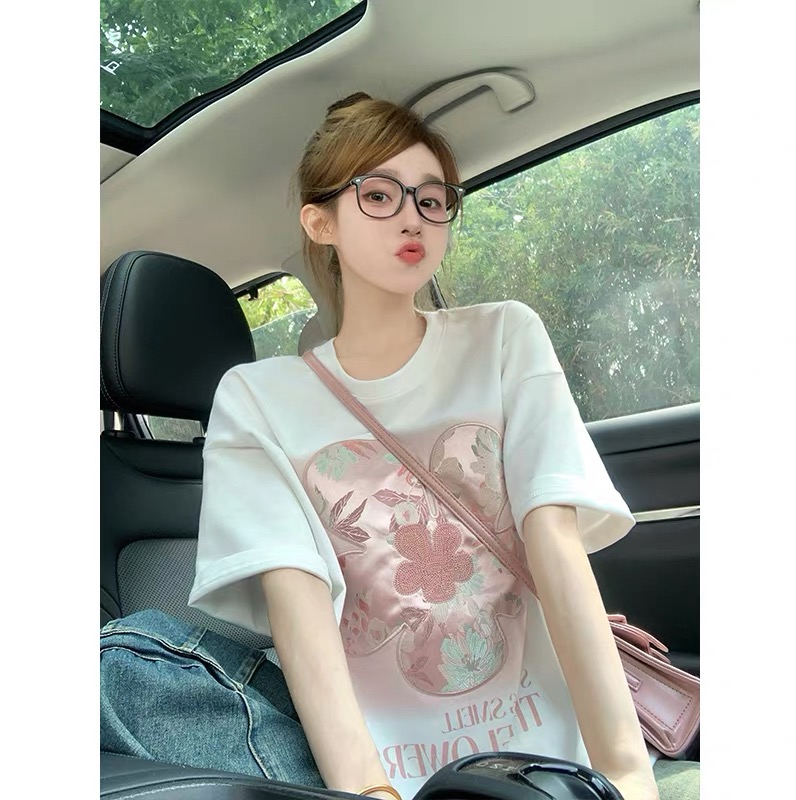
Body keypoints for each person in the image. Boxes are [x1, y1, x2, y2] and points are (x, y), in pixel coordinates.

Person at [186, 93, 700, 800]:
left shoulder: (504, 337)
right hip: (392, 773)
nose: (413, 218)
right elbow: (299, 611)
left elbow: (554, 541)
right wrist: (371, 792)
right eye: (379, 195)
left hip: (554, 759)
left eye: (432, 200)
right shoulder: (257, 401)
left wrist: (626, 774)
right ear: (320, 221)